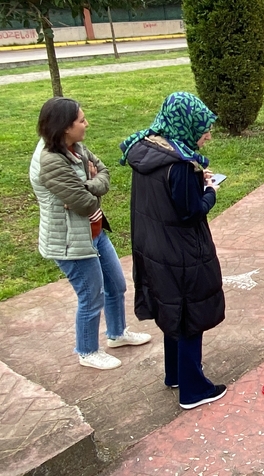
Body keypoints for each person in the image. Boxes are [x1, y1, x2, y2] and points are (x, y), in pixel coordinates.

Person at [121, 92, 227, 410]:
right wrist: (209, 191)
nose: (207, 134)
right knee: (190, 314)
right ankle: (194, 390)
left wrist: (196, 182)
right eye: (202, 127)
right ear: (186, 124)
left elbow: (165, 197)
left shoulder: (147, 149)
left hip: (153, 247)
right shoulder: (179, 164)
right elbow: (190, 211)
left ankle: (176, 374)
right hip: (181, 252)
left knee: (173, 312)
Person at [29, 97, 152, 371]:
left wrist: (87, 184)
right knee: (91, 296)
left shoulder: (74, 146)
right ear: (64, 127)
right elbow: (85, 203)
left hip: (94, 233)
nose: (87, 124)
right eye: (81, 120)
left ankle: (117, 334)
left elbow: (104, 174)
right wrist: (88, 188)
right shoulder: (50, 160)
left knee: (116, 285)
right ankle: (87, 351)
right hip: (71, 242)